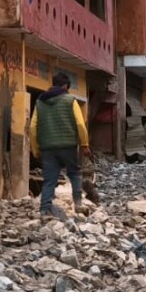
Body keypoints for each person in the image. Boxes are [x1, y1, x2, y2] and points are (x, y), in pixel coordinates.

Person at [29, 72, 90, 218]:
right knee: (74, 174)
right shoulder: (70, 100)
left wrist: (35, 149)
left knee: (49, 180)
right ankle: (78, 205)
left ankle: (44, 210)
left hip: (48, 148)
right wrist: (84, 144)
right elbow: (80, 124)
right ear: (65, 86)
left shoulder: (40, 102)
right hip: (68, 146)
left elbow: (32, 127)